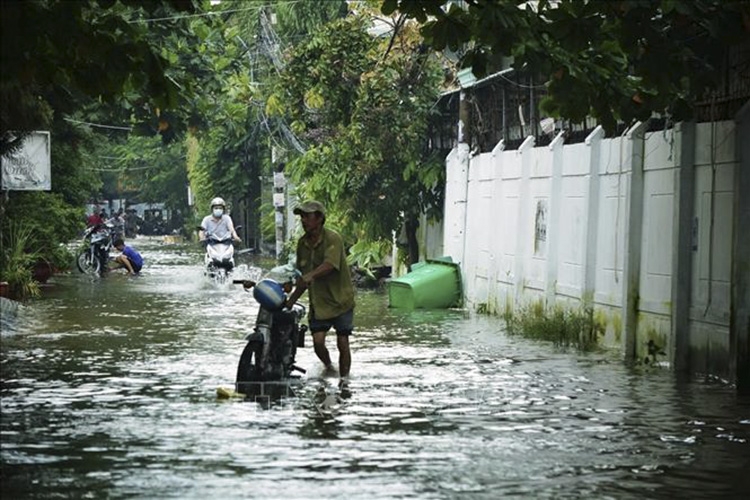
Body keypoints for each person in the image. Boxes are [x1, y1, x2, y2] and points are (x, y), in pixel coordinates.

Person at [285, 200, 355, 378]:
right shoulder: (302, 244)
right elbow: (302, 277)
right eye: (302, 217)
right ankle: (329, 366)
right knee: (317, 343)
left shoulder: (333, 238)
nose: (303, 220)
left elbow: (330, 265)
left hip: (340, 300)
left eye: (307, 216)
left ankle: (344, 381)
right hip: (319, 301)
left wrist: (310, 276)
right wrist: (290, 301)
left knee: (343, 342)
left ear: (319, 218)